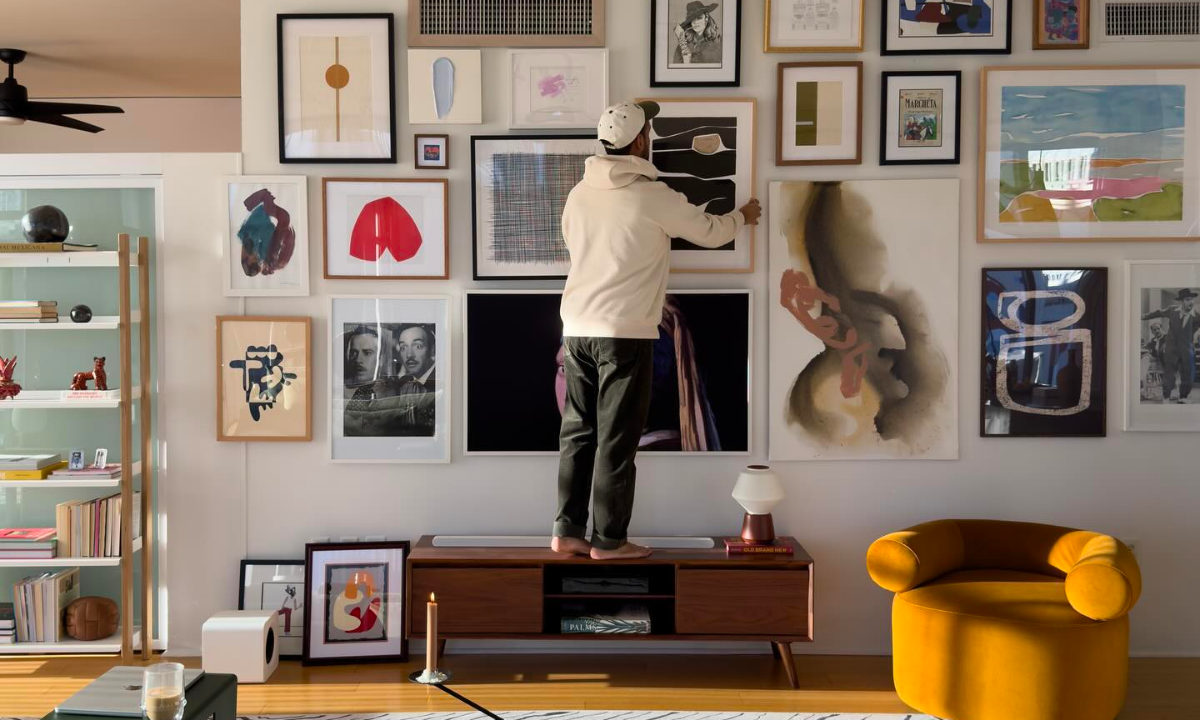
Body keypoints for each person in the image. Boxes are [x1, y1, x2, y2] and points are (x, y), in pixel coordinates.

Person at [552, 100, 761, 560]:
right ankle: (608, 540)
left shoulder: (578, 194)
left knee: (578, 432)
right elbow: (709, 231)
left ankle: (568, 530)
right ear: (642, 140)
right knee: (617, 438)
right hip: (623, 331)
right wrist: (742, 216)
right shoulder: (651, 194)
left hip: (576, 327)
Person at [1142, 289, 1199, 404]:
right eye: (1188, 300)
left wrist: (1187, 340)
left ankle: (1183, 396)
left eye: (1192, 299)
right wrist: (1144, 316)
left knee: (1188, 373)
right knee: (1169, 372)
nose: (1191, 302)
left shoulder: (1197, 316)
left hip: (1187, 348)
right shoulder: (1172, 310)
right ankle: (1166, 396)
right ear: (1181, 302)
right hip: (1171, 348)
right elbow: (1158, 312)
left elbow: (1194, 329)